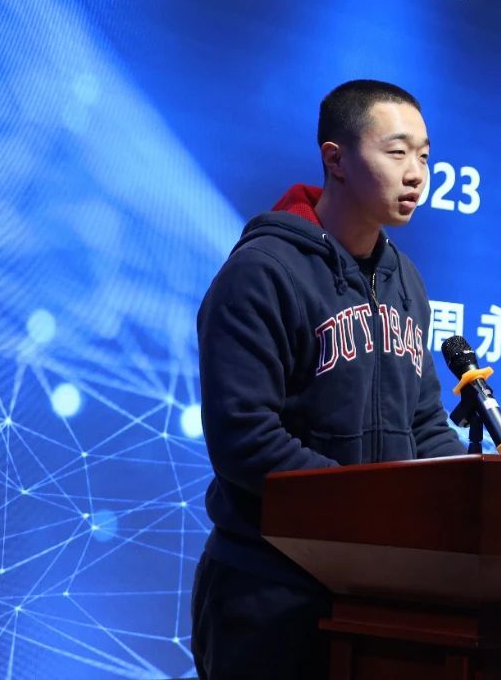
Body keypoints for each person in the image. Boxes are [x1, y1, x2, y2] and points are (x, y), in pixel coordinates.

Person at [190, 80, 466, 679]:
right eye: (397, 152)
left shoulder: (405, 281)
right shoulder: (262, 272)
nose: (416, 174)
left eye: (424, 156)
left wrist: (468, 498)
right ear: (335, 159)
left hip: (376, 595)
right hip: (269, 592)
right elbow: (244, 438)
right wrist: (368, 513)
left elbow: (424, 423)